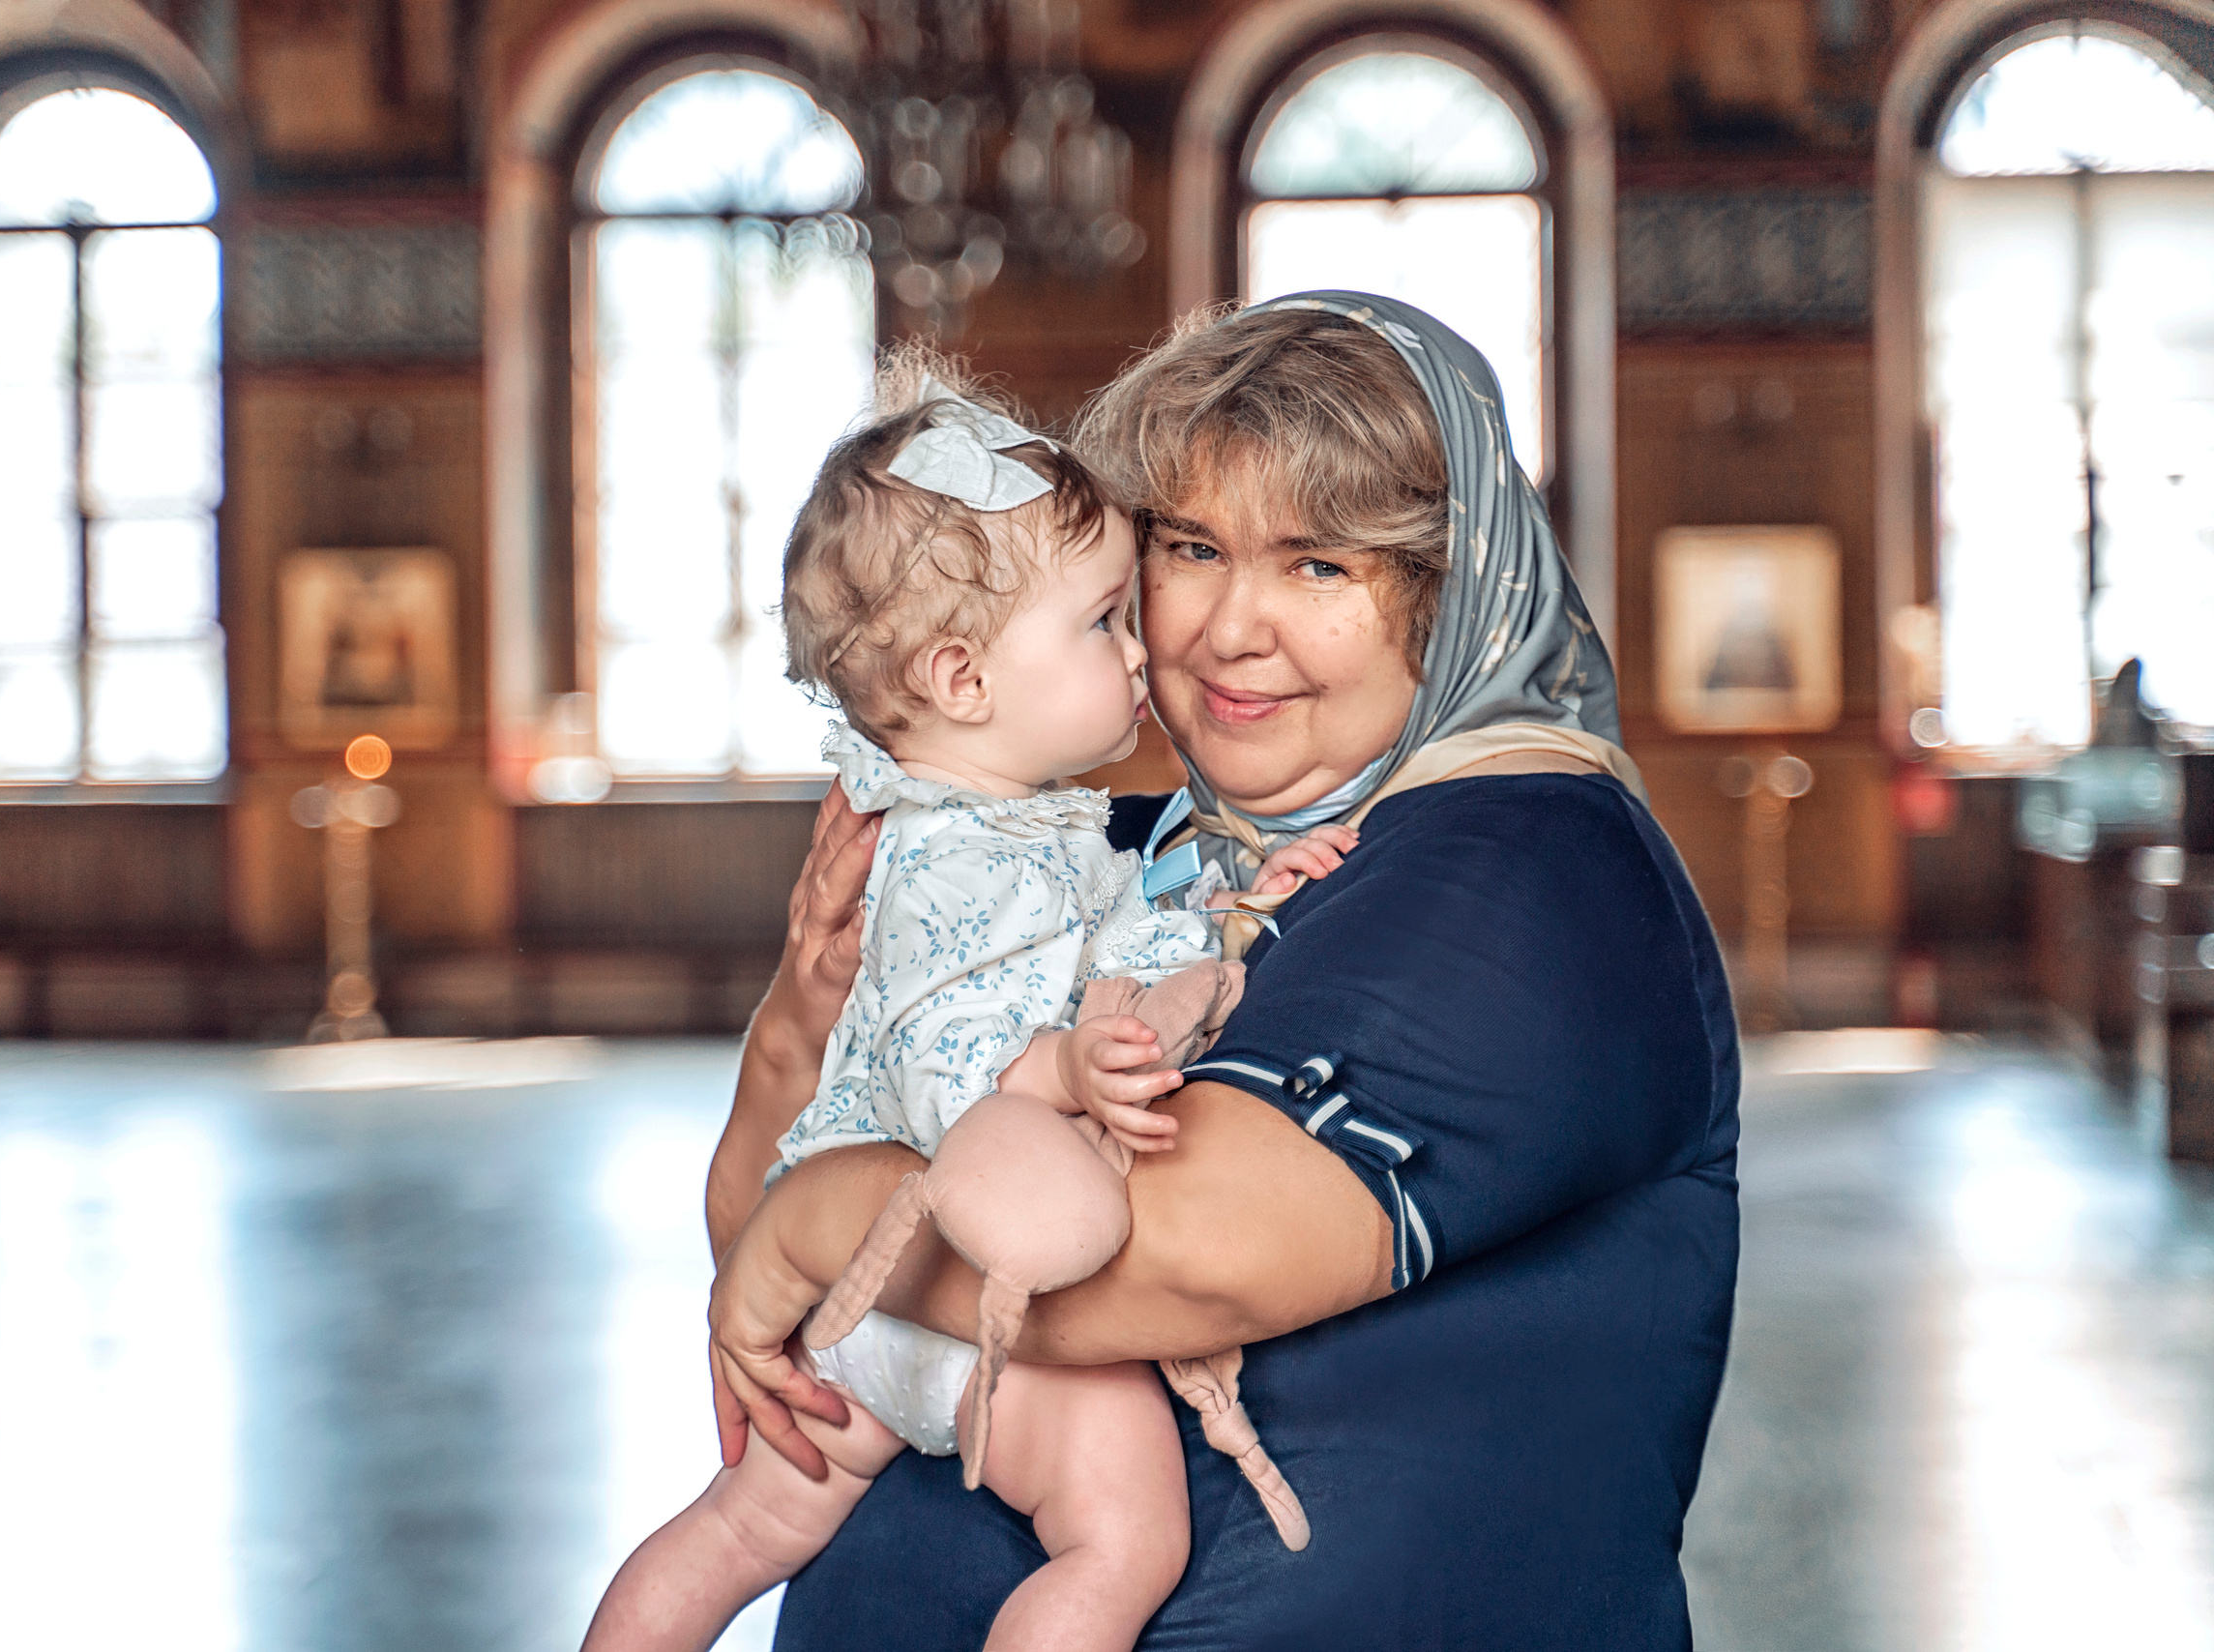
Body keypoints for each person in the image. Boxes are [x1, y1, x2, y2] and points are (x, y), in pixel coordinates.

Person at [700, 291, 1742, 1650]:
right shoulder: (1104, 858)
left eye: (1320, 566)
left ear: (1452, 591)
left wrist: (816, 1228)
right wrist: (797, 1019)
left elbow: (1172, 1261)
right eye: (1192, 547)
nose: (1229, 628)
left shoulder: (1538, 862)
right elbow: (746, 1240)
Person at [586, 366, 1349, 1652]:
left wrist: (1234, 905)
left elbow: (1115, 931)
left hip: (871, 1311)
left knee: (739, 1531)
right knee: (1123, 1543)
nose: (1140, 649)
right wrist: (1062, 1069)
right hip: (945, 1293)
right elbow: (954, 1071)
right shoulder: (952, 860)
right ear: (962, 678)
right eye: (1104, 622)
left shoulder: (1013, 822)